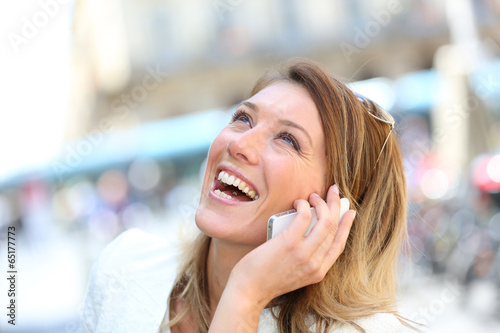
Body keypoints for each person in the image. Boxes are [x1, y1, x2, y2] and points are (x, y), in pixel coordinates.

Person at [81, 59, 411, 332]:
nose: (239, 144)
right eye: (243, 119)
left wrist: (244, 296)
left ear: (334, 209)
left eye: (288, 139)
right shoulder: (125, 269)